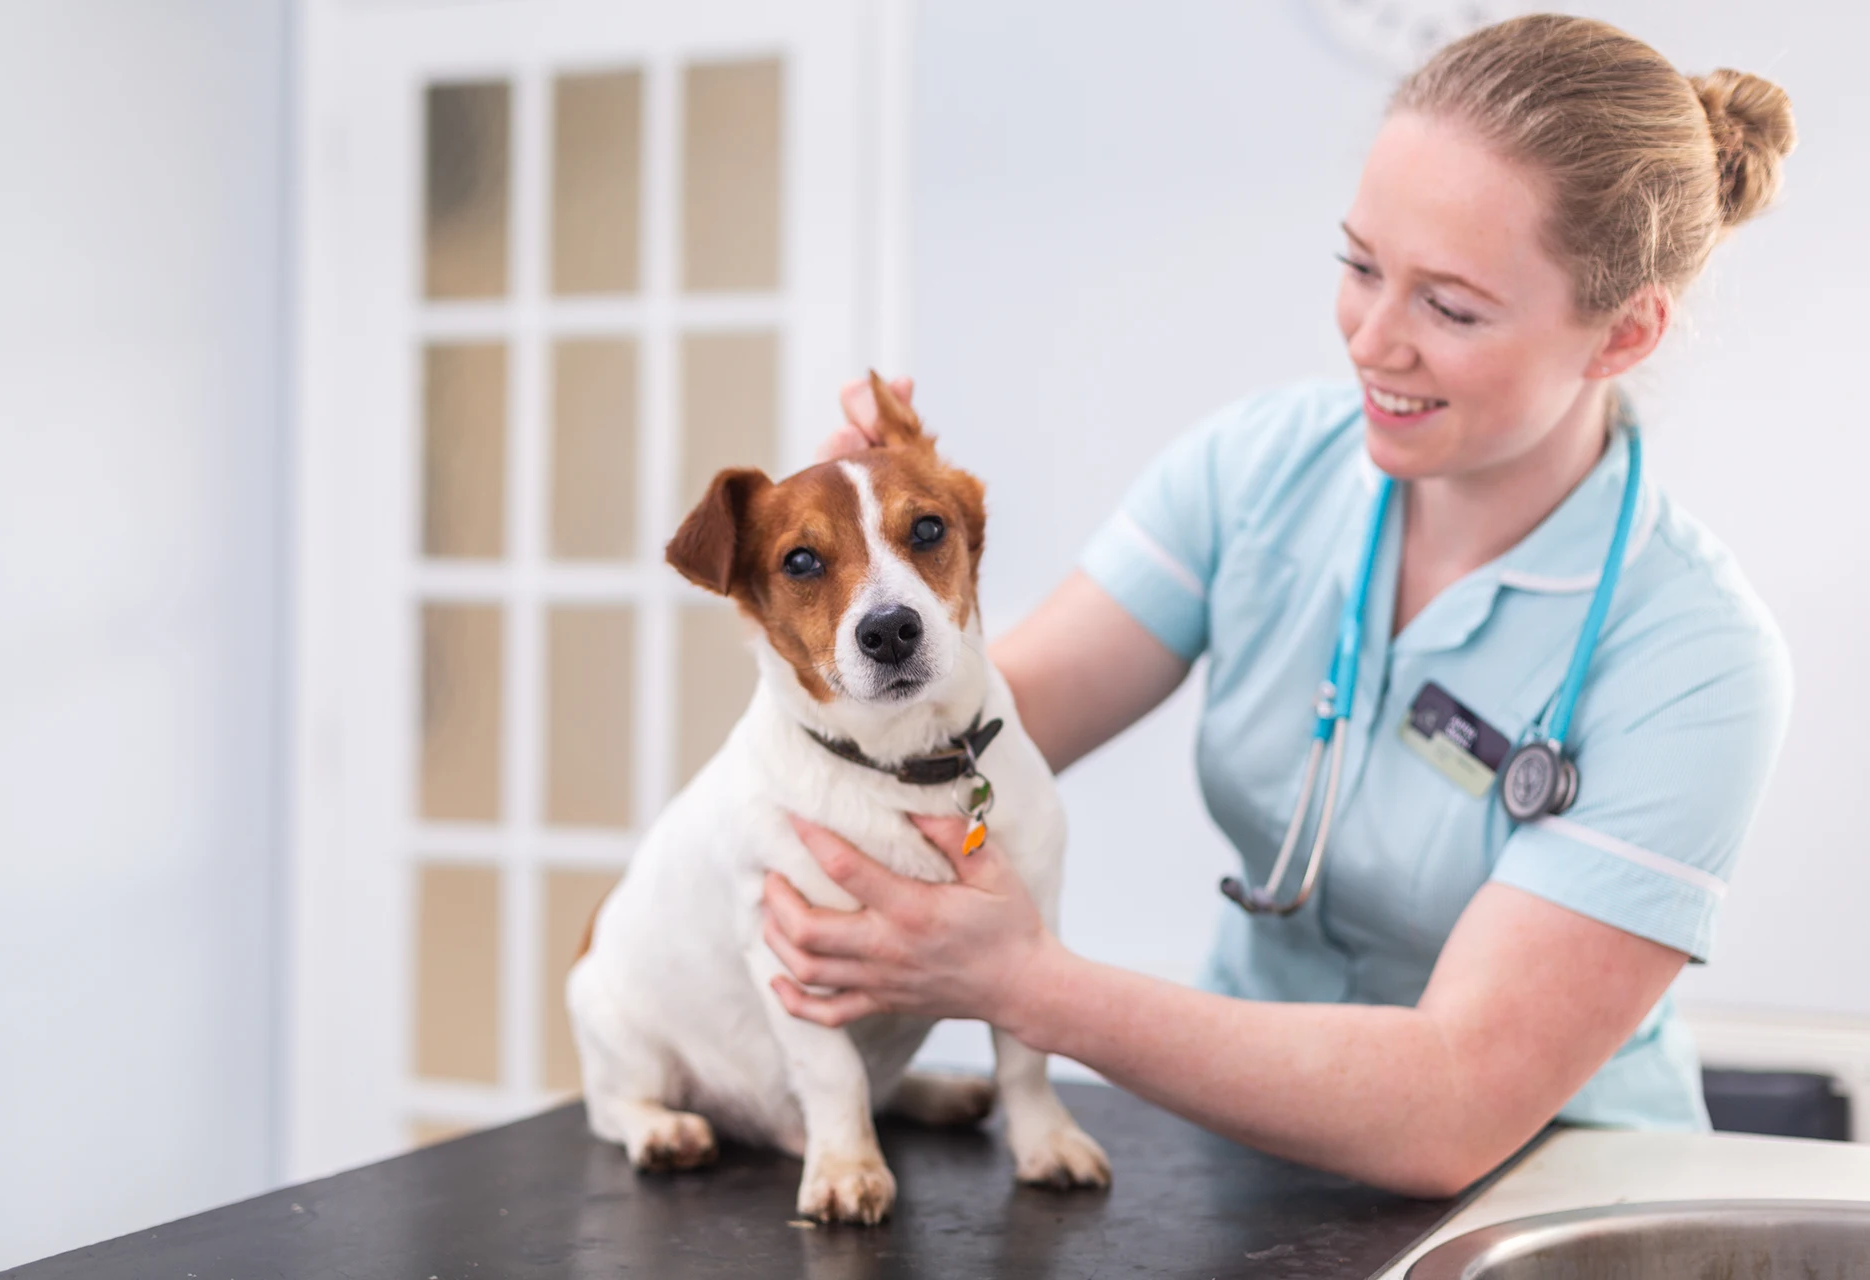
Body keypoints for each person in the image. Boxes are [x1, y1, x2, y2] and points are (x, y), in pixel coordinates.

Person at [759, 15, 1799, 1197]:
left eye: (1450, 308)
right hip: (1247, 1162)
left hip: (1559, 1198)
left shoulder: (1698, 657)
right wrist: (860, 588)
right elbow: (973, 733)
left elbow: (1455, 1101)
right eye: (1360, 265)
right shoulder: (1255, 472)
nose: (1371, 339)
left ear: (1625, 330)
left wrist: (1027, 984)